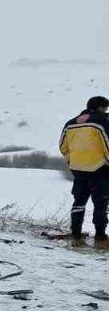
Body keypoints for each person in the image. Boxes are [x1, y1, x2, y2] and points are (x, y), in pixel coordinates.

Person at [59, 95, 109, 244]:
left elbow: (63, 146)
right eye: (105, 108)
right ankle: (100, 235)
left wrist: (72, 162)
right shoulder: (102, 122)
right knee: (101, 204)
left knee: (78, 202)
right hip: (100, 170)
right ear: (100, 107)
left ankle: (75, 233)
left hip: (78, 170)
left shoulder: (70, 123)